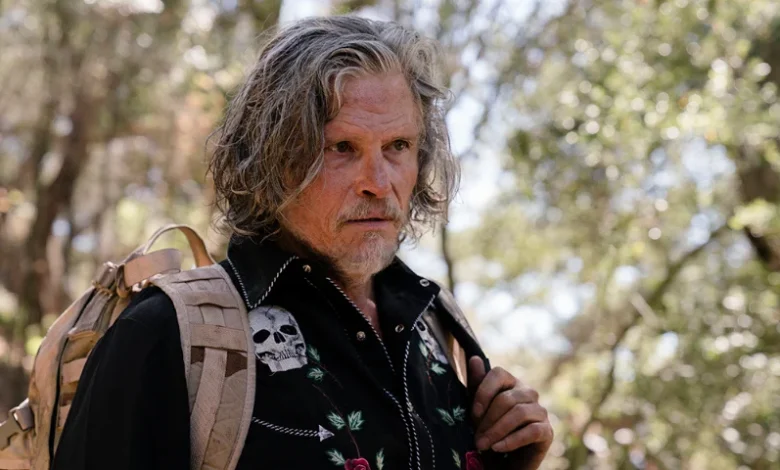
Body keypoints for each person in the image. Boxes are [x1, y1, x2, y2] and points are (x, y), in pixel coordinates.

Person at [52, 16, 553, 470]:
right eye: (342, 148)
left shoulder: (437, 325)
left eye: (398, 146)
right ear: (272, 159)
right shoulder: (167, 335)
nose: (379, 182)